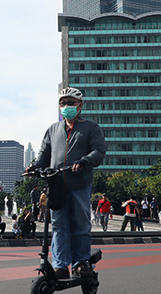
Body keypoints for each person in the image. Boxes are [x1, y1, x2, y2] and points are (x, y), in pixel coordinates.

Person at [28, 87, 107, 279]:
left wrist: (85, 160)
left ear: (80, 105)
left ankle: (80, 263)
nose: (66, 107)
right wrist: (33, 168)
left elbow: (99, 151)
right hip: (57, 186)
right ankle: (60, 265)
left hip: (80, 184)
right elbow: (43, 155)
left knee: (80, 224)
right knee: (58, 225)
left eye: (70, 103)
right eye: (62, 103)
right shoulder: (53, 129)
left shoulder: (90, 127)